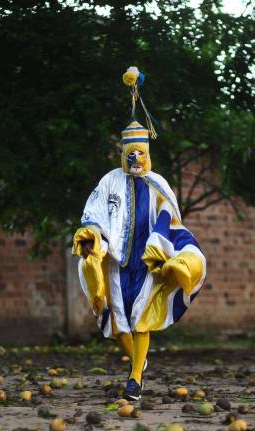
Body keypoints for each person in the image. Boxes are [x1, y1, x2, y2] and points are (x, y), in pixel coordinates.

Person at [72, 67, 206, 401]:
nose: (136, 157)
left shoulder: (158, 183)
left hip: (147, 262)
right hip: (117, 261)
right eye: (130, 152)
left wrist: (160, 245)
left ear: (148, 153)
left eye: (141, 152)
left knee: (142, 318)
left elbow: (171, 217)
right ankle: (139, 361)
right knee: (118, 323)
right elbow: (95, 213)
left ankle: (134, 378)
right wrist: (91, 235)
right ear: (122, 152)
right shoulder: (109, 181)